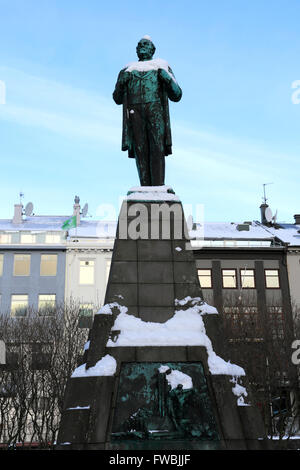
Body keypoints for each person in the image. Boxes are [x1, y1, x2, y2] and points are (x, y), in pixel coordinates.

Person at [113, 36, 182, 186]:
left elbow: (177, 94)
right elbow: (117, 98)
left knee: (157, 148)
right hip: (135, 112)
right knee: (140, 151)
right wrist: (120, 83)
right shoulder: (127, 70)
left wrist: (167, 78)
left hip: (155, 110)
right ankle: (144, 188)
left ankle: (158, 187)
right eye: (139, 45)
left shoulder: (161, 66)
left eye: (145, 44)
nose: (141, 46)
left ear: (153, 49)